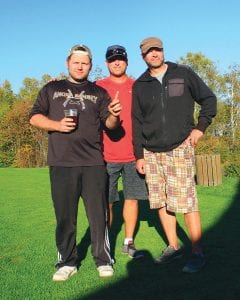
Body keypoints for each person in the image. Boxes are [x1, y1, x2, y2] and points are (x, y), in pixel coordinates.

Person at [29, 44, 122, 281]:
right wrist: (57, 125)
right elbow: (35, 117)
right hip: (61, 163)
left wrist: (113, 114)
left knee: (98, 215)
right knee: (64, 216)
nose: (80, 66)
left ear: (90, 65)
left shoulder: (99, 93)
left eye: (85, 62)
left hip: (93, 163)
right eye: (76, 62)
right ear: (68, 63)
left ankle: (103, 260)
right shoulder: (52, 88)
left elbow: (110, 126)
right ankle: (67, 262)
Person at [132, 37, 217, 273]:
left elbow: (209, 100)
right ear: (143, 56)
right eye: (149, 52)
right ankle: (173, 245)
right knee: (161, 201)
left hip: (180, 146)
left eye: (157, 49)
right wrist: (139, 154)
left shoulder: (184, 73)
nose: (154, 54)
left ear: (163, 51)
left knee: (187, 201)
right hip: (151, 151)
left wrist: (200, 127)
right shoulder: (140, 84)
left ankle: (197, 252)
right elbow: (136, 122)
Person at [96, 45, 148, 259]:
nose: (116, 62)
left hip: (133, 156)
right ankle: (106, 242)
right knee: (106, 201)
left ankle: (128, 242)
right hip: (105, 156)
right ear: (107, 63)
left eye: (120, 58)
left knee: (132, 198)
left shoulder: (137, 87)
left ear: (127, 62)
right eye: (112, 59)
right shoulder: (97, 87)